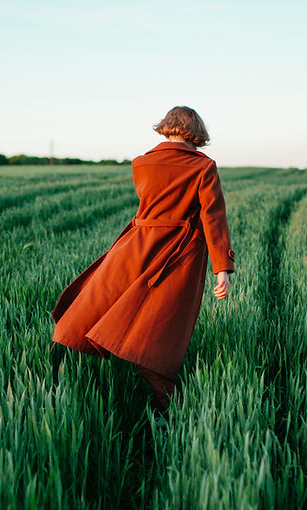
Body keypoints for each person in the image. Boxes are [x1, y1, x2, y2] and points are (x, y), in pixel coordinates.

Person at [50, 106, 235, 428]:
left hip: (135, 246)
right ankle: (170, 413)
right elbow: (213, 218)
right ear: (196, 132)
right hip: (177, 254)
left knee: (90, 307)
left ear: (166, 128)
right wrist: (222, 269)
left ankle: (51, 385)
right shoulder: (204, 167)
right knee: (158, 331)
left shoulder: (142, 162)